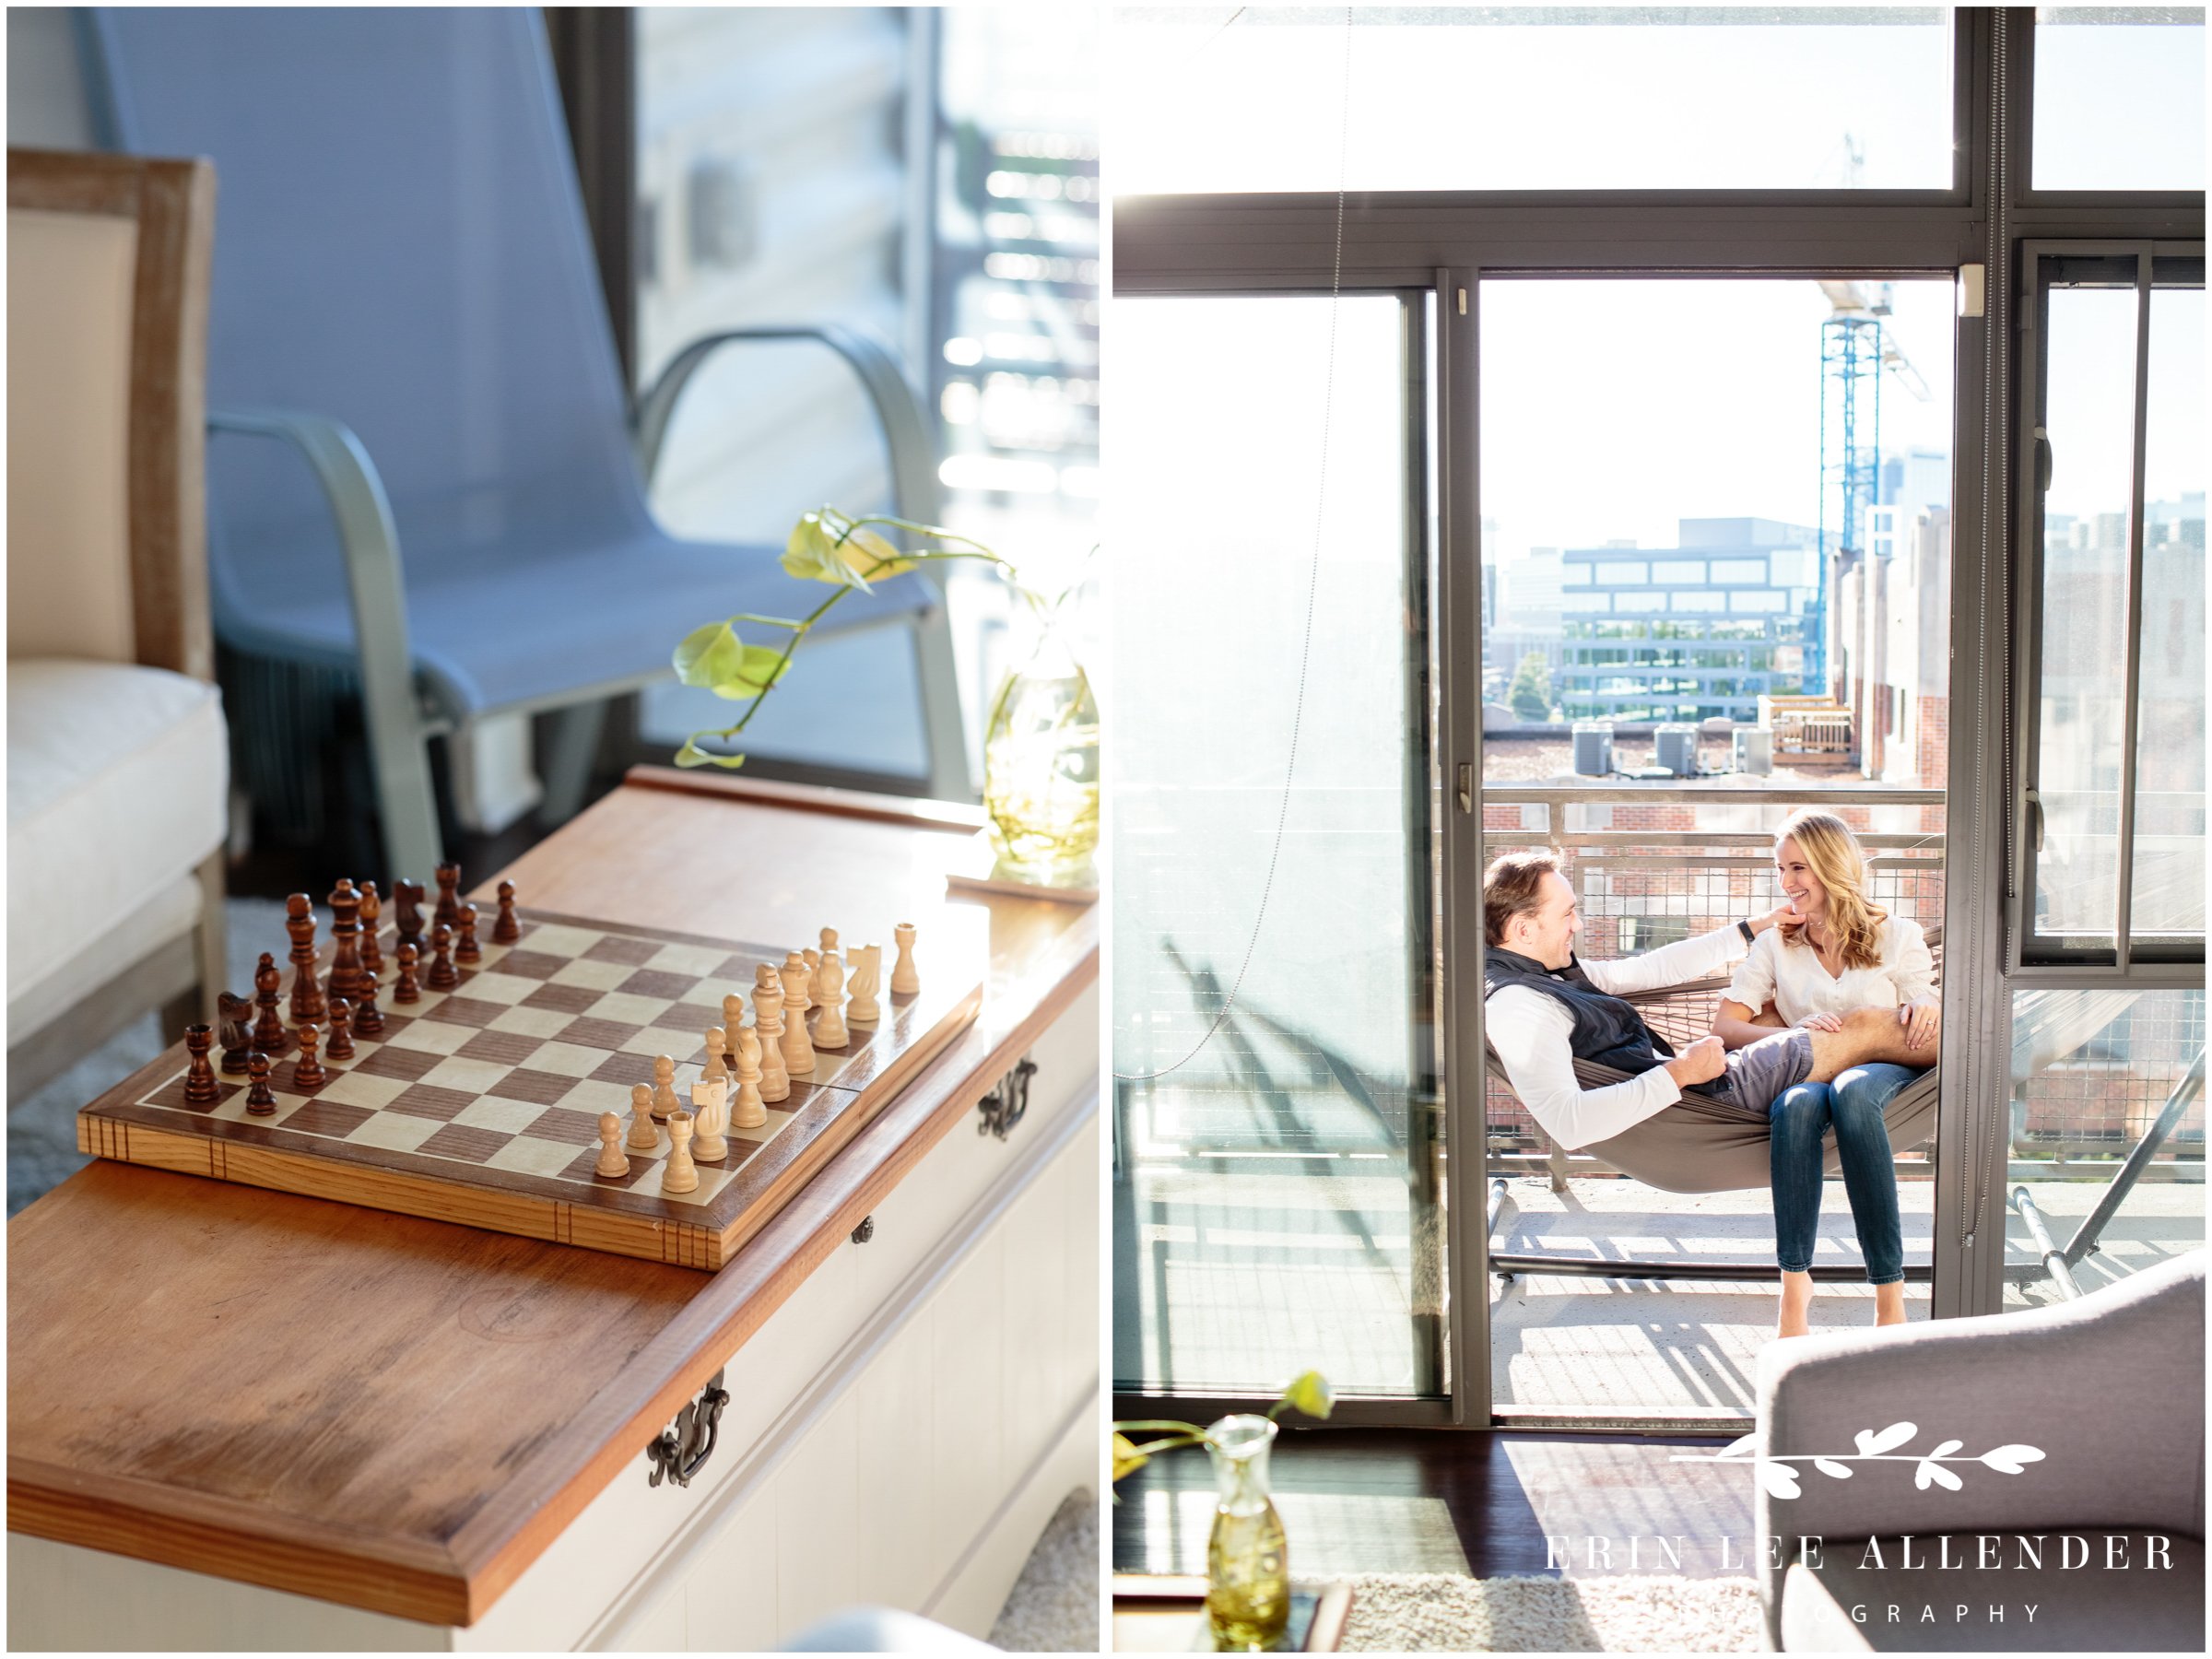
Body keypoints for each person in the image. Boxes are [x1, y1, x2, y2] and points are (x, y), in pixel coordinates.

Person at [1482, 849, 1934, 1160]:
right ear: (1523, 930)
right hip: (1707, 1098)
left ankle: (1966, 1053)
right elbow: (1568, 1124)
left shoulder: (1547, 975)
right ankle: (1984, 1058)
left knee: (1842, 1026)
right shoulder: (1521, 1007)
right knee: (1863, 1027)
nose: (1577, 925)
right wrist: (1682, 1072)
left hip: (1698, 1085)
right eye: (1566, 914)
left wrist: (1752, 928)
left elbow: (1656, 968)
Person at [1713, 809, 1937, 1338]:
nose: (1786, 884)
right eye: (1781, 869)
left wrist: (1926, 1001)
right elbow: (1725, 1026)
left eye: (1798, 869)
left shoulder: (1898, 935)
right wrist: (1795, 1036)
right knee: (1793, 1108)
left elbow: (1922, 1004)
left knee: (1853, 1091)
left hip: (1882, 1069)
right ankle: (1795, 1285)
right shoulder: (1775, 944)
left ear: (1832, 868)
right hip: (1809, 1068)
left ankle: (1889, 1294)